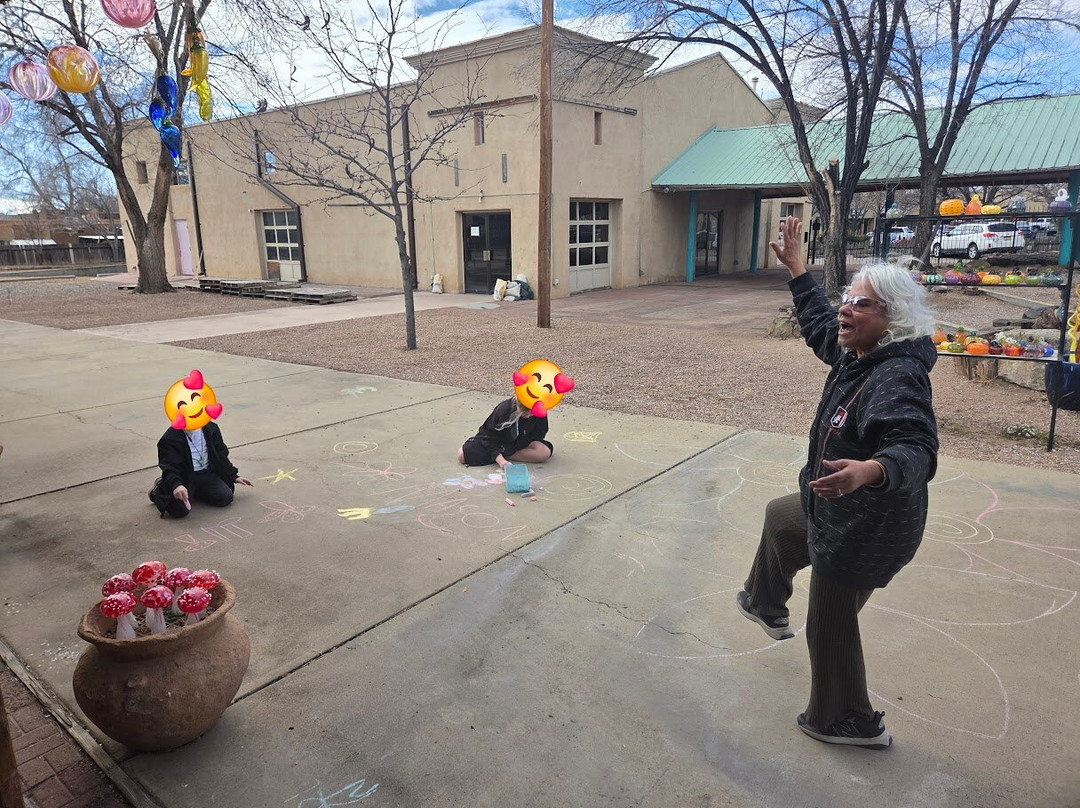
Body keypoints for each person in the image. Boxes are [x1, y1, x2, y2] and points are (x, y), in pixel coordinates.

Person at [736, 216, 938, 750]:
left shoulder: (896, 376)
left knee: (829, 624)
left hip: (867, 528)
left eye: (862, 303)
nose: (847, 307)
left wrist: (870, 470)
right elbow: (823, 327)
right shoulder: (862, 353)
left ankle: (846, 720)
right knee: (782, 517)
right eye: (849, 295)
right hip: (834, 510)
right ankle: (763, 599)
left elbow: (916, 447)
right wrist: (800, 271)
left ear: (890, 319)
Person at [149, 422, 253, 518]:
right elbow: (169, 465)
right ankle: (160, 488)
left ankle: (197, 491)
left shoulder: (211, 429)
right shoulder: (171, 437)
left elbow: (221, 455)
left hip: (207, 473)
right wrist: (176, 484)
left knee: (226, 497)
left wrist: (233, 476)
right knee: (179, 510)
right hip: (185, 476)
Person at [458, 396, 553, 469]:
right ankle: (500, 455)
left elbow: (539, 434)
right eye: (524, 412)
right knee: (462, 455)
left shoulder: (540, 410)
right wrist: (501, 460)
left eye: (531, 413)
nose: (528, 416)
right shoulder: (504, 409)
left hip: (518, 444)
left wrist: (511, 448)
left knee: (544, 453)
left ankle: (505, 455)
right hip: (496, 442)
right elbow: (489, 438)